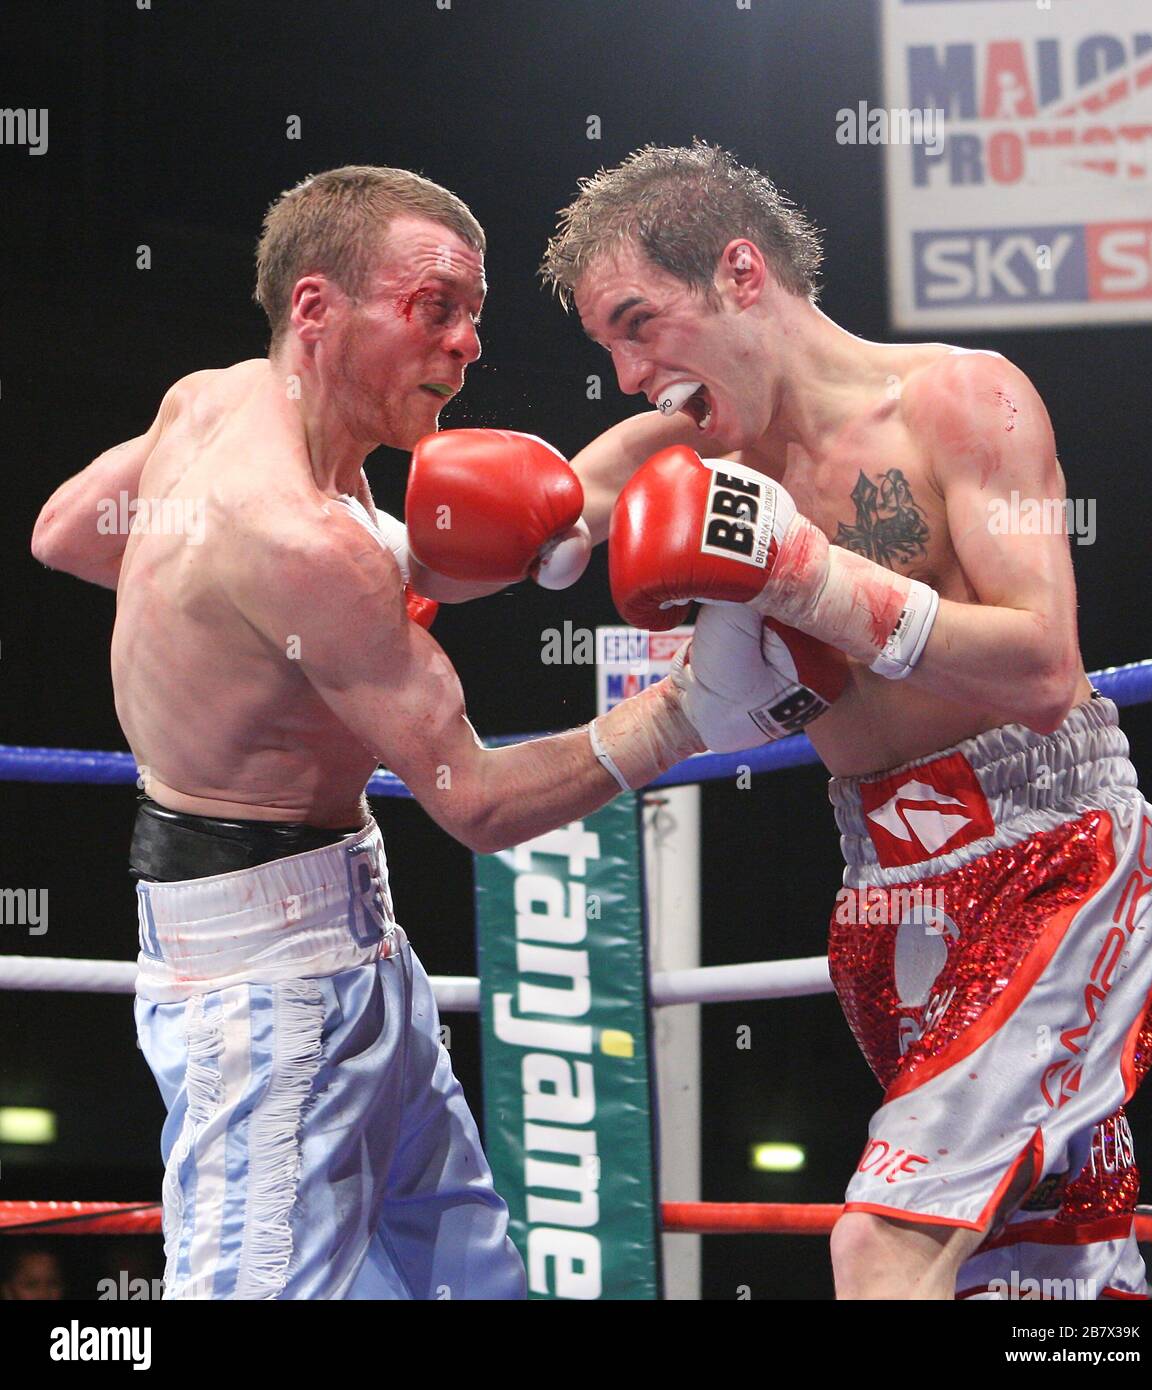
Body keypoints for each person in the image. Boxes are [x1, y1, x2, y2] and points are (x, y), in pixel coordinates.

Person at [29, 165, 756, 1300]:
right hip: (262, 993)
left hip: (348, 936)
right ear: (316, 309)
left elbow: (67, 532)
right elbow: (472, 800)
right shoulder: (305, 543)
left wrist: (263, 607)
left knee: (463, 1281)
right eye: (436, 309)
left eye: (474, 316)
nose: (467, 345)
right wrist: (689, 712)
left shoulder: (215, 401)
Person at [540, 141, 1152, 1300]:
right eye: (611, 347)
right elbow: (531, 509)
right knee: (1037, 1274)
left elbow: (1043, 665)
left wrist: (814, 580)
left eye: (640, 324)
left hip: (1054, 856)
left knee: (881, 1243)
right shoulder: (686, 449)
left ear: (740, 273)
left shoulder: (956, 397)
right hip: (881, 890)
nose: (632, 375)